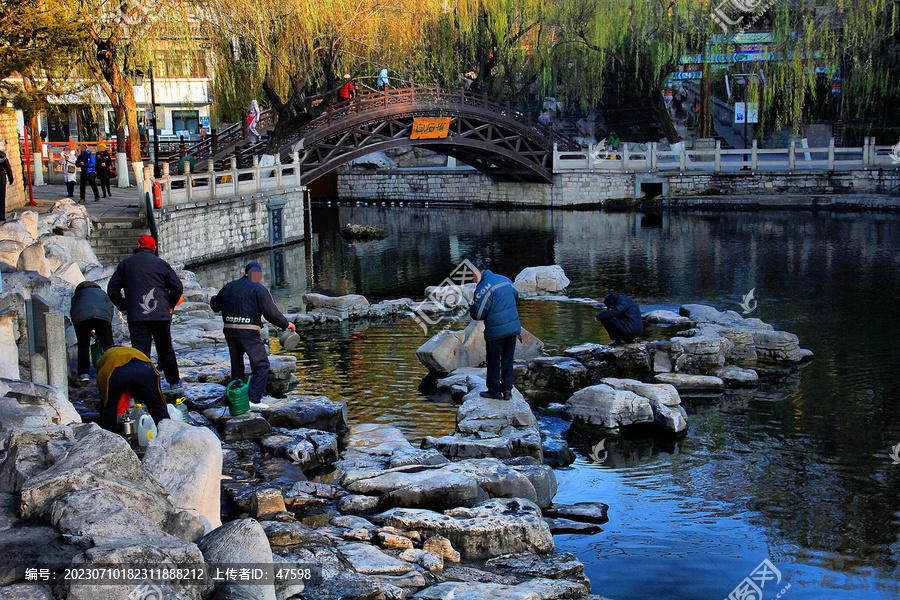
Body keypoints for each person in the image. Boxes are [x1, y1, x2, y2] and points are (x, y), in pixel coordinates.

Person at [210, 262, 295, 405]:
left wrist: (213, 299)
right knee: (261, 365)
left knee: (237, 366)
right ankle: (253, 400)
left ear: (244, 272)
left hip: (230, 331)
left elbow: (215, 306)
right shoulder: (259, 289)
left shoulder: (229, 286)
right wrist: (285, 324)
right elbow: (270, 313)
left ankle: (237, 398)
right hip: (249, 332)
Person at [107, 235, 184, 391]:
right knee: (165, 348)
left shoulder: (126, 264)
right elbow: (177, 287)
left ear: (138, 245)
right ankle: (174, 382)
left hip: (137, 315)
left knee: (140, 351)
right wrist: (169, 304)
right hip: (160, 314)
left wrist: (124, 305)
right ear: (153, 248)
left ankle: (143, 385)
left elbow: (112, 289)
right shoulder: (161, 264)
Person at [468, 260, 521, 400]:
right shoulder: (505, 280)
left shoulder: (483, 287)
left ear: (477, 273)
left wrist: (471, 308)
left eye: (472, 275)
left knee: (493, 360)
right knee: (508, 360)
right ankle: (508, 391)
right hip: (512, 328)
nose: (472, 279)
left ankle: (494, 391)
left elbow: (478, 314)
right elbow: (516, 298)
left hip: (495, 331)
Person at [95, 346, 169, 433]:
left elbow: (104, 393)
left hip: (118, 372)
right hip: (145, 369)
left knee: (110, 407)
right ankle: (169, 434)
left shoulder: (104, 360)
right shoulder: (131, 351)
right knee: (156, 406)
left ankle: (108, 439)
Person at [70, 281, 116, 382]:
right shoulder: (102, 293)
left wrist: (78, 325)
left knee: (83, 346)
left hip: (81, 319)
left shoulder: (77, 295)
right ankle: (113, 370)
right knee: (108, 345)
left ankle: (84, 375)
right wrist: (107, 325)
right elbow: (110, 308)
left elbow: (73, 310)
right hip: (102, 317)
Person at [0, 142, 12, 222]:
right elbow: (8, 168)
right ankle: (1, 216)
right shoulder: (2, 156)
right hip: (1, 181)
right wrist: (11, 178)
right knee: (1, 199)